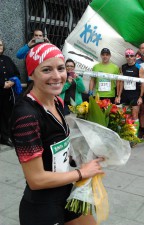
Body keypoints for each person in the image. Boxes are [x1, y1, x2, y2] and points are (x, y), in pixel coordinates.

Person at [10, 43, 104, 225]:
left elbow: (58, 149)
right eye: (46, 70)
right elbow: (36, 179)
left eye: (61, 68)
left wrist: (85, 157)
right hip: (42, 207)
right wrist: (81, 172)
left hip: (67, 192)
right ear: (31, 74)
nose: (57, 76)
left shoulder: (57, 101)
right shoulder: (26, 116)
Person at [0, 39, 20, 147]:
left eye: (1, 45)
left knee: (6, 115)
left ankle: (4, 137)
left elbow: (17, 73)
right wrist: (2, 84)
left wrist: (12, 81)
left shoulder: (7, 59)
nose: (0, 47)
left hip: (7, 94)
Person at [117, 48, 144, 126]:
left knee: (135, 115)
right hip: (125, 94)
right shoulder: (123, 67)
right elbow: (121, 82)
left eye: (131, 56)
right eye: (127, 56)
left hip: (135, 94)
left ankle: (134, 135)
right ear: (125, 57)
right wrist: (119, 95)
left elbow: (143, 83)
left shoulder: (139, 67)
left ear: (134, 57)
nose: (129, 57)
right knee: (125, 115)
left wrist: (141, 97)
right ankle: (126, 134)